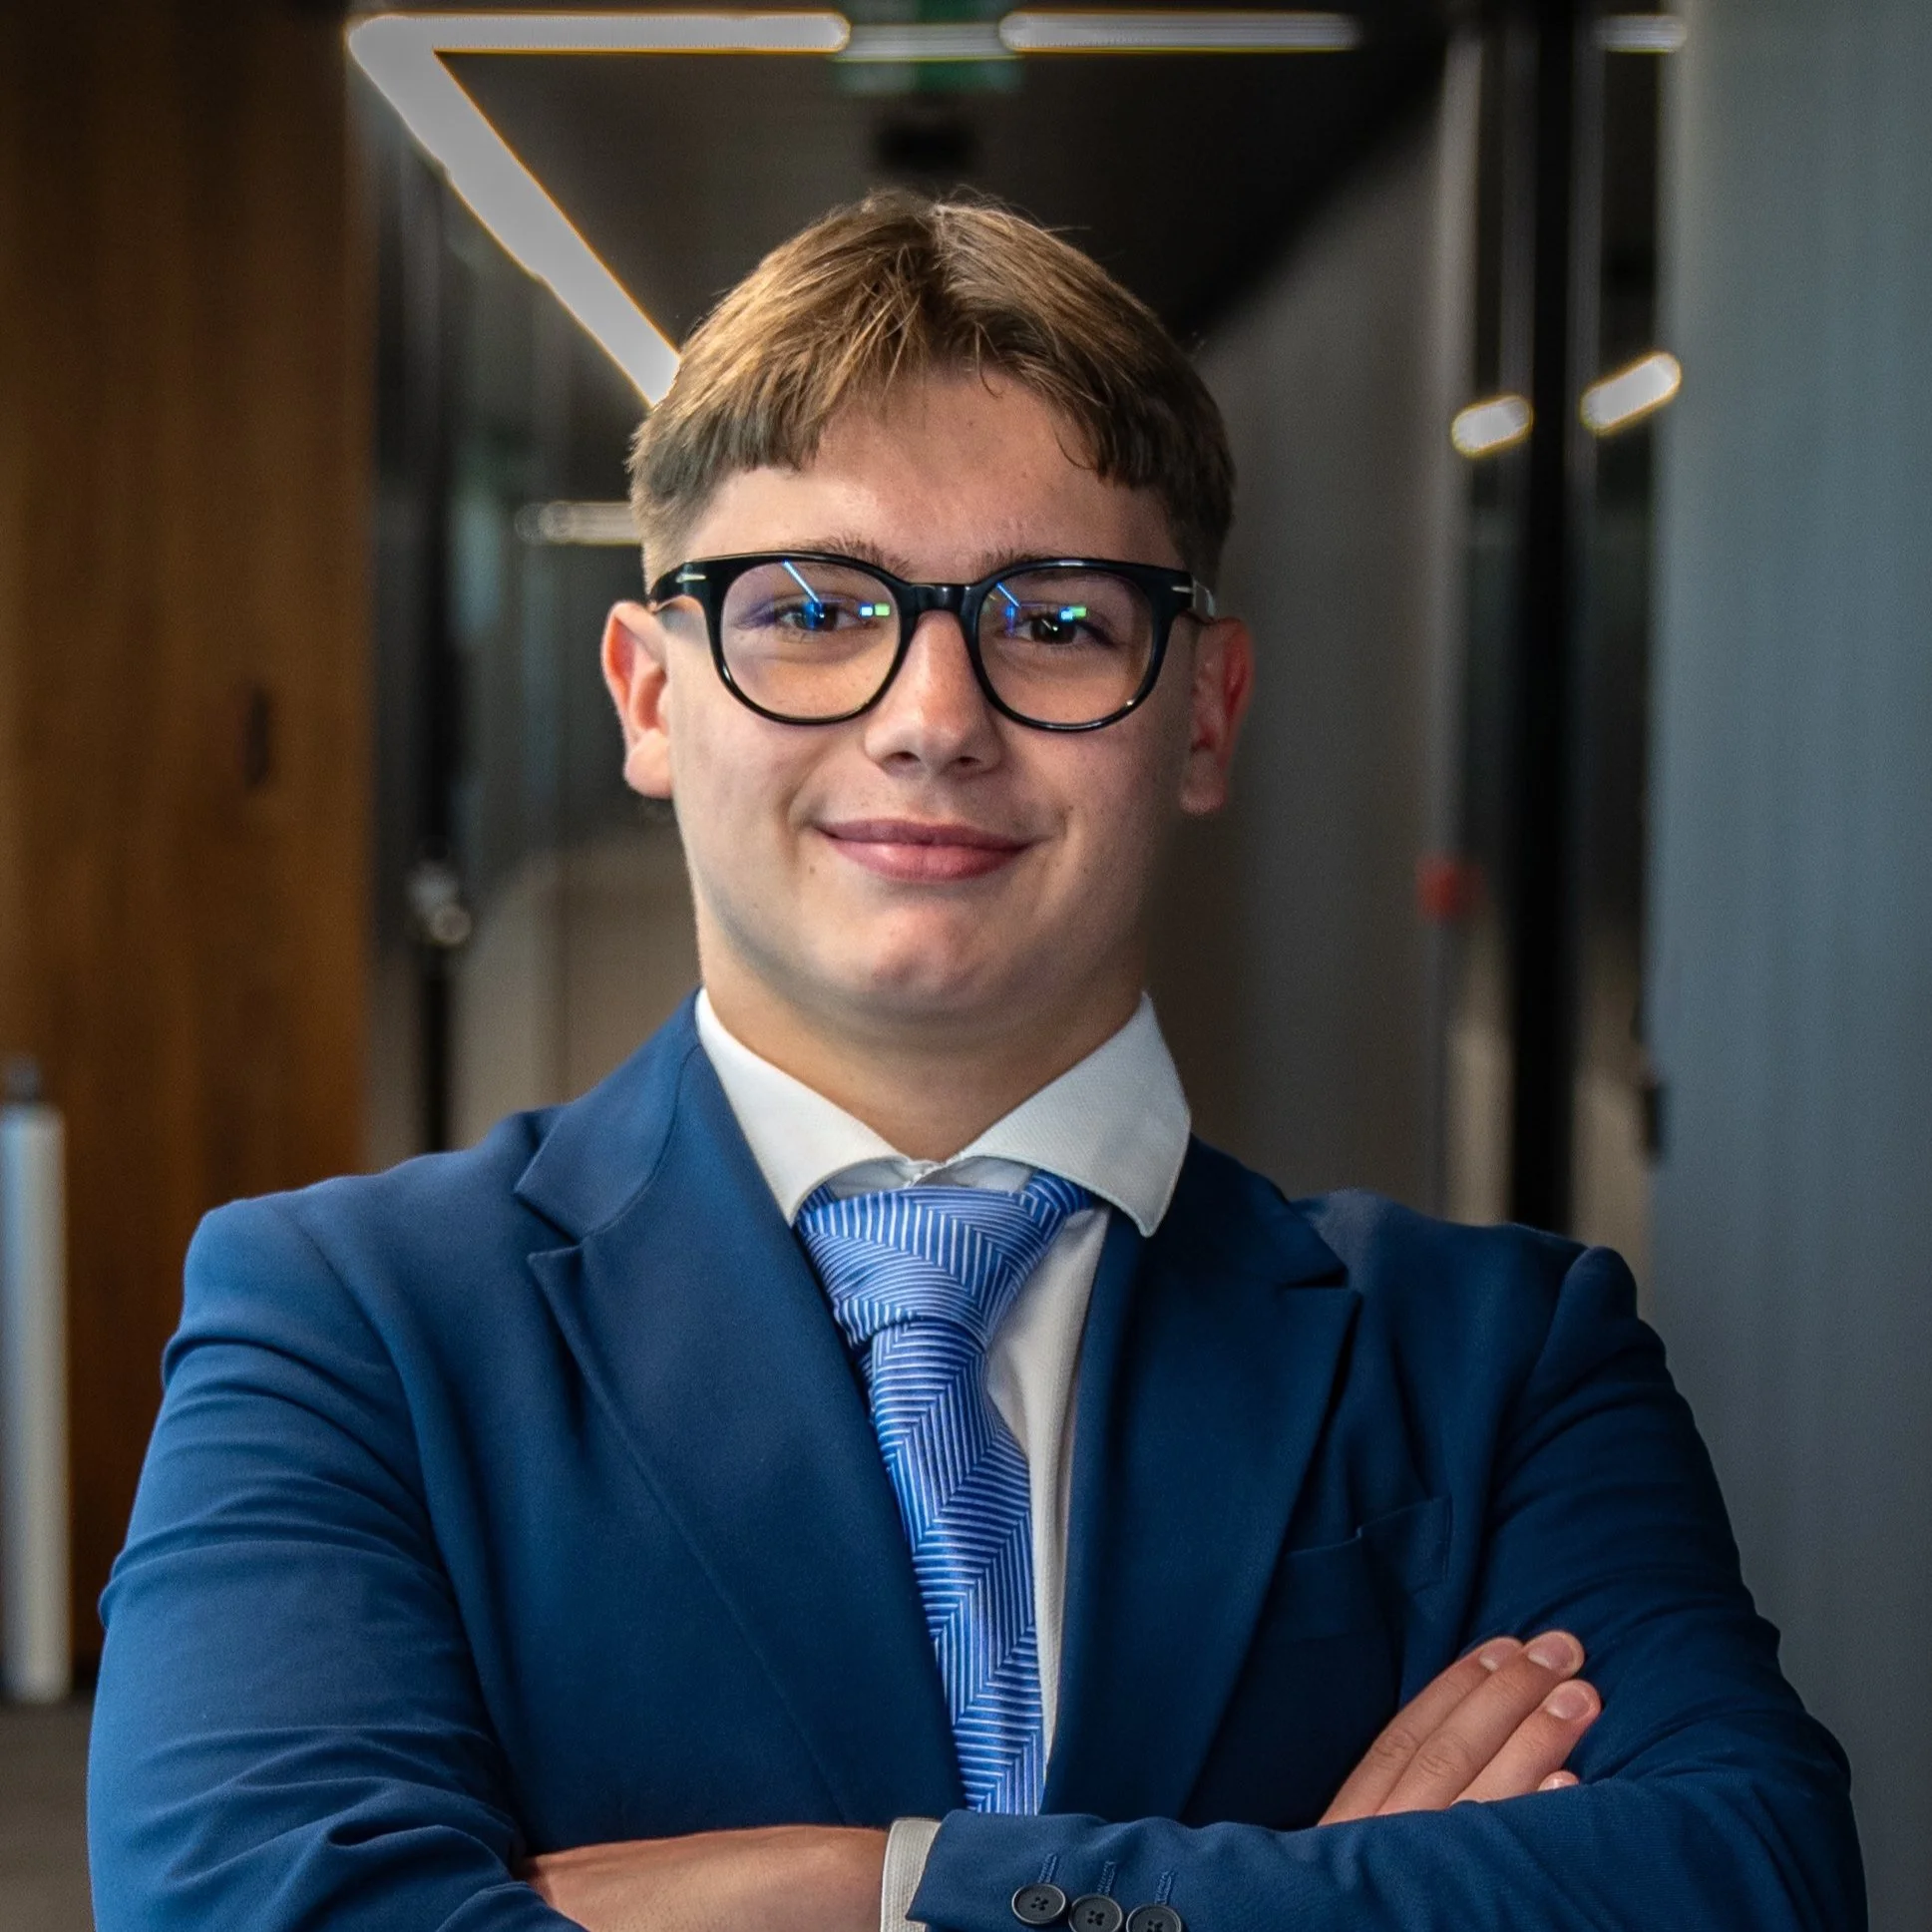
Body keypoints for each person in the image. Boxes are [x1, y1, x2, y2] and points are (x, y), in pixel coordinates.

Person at [87, 193, 1861, 1932]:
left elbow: (1748, 1880)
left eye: (1060, 619)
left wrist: (878, 1886)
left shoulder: (1499, 1359)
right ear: (649, 695)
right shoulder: (350, 1326)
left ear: (1207, 714)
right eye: (810, 610)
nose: (934, 716)